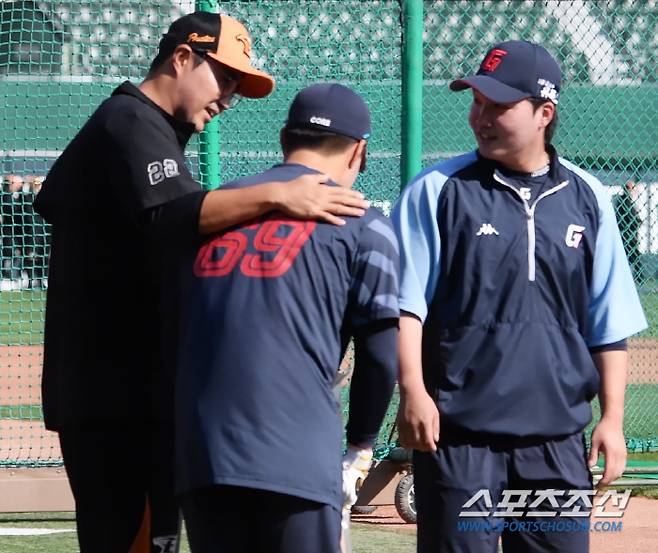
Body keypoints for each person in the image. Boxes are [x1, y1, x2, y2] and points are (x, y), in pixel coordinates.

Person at [32, 12, 368, 553]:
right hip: (117, 397)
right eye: (225, 78)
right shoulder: (128, 119)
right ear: (182, 59)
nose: (229, 97)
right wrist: (280, 195)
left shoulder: (151, 131)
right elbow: (170, 217)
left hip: (135, 392)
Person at [391, 40, 647, 553]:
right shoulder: (438, 189)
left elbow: (608, 321)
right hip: (460, 439)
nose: (479, 116)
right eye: (476, 102)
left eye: (498, 106)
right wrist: (413, 391)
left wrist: (613, 420)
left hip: (555, 441)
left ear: (543, 113)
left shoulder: (588, 197)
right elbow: (404, 305)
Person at [175, 83, 399, 553]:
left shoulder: (212, 210)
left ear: (284, 139)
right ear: (360, 151)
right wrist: (360, 447)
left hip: (202, 456)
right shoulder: (362, 221)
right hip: (296, 456)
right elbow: (380, 356)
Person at [613, 180, 642, 281]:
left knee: (633, 256)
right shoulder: (625, 200)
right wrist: (637, 221)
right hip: (627, 233)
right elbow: (629, 217)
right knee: (631, 256)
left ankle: (637, 277)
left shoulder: (627, 200)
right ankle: (637, 278)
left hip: (629, 233)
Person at [0, 174, 25, 284]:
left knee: (17, 254)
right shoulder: (5, 196)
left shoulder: (21, 196)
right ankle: (7, 277)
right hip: (7, 232)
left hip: (18, 232)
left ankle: (14, 277)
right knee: (8, 254)